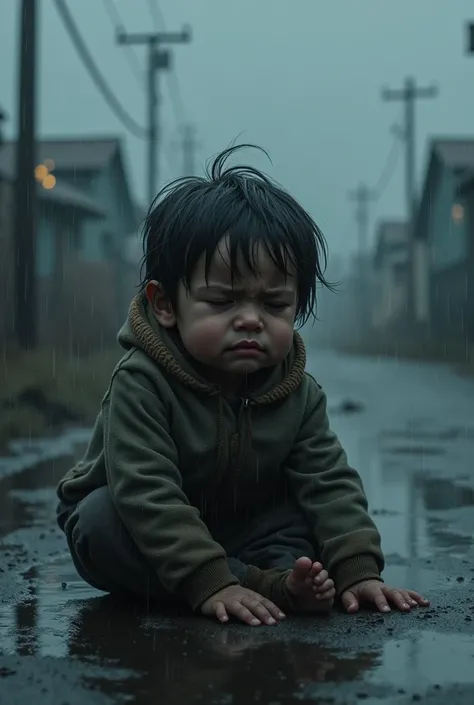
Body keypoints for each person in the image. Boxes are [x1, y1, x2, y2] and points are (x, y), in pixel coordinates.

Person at [56, 145, 429, 627]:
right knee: (100, 523)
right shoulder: (142, 382)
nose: (250, 320)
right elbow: (146, 492)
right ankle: (238, 586)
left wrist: (358, 571)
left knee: (302, 529)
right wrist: (208, 578)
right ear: (165, 304)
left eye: (274, 305)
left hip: (246, 527)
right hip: (141, 524)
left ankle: (269, 584)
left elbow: (329, 482)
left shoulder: (297, 391)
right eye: (222, 301)